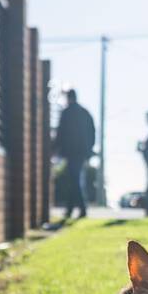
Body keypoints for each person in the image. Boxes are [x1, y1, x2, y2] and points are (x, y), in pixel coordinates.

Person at [53, 89, 96, 221]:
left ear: (69, 98)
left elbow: (60, 132)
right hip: (81, 152)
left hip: (72, 152)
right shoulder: (85, 112)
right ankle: (70, 210)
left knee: (75, 179)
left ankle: (82, 209)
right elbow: (92, 132)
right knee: (74, 179)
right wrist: (89, 150)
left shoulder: (67, 112)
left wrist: (55, 148)